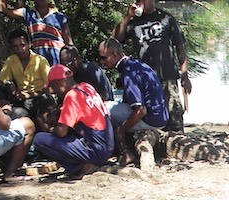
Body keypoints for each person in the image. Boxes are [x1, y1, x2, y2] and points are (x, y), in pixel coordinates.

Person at [113, 0, 190, 133]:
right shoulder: (133, 22)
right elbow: (114, 40)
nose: (141, 2)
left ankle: (179, 144)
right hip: (145, 81)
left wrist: (184, 75)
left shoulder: (166, 18)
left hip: (167, 77)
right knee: (150, 118)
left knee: (174, 118)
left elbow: (180, 48)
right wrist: (127, 17)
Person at [31, 63, 113, 178]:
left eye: (53, 87)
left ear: (58, 83)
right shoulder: (86, 87)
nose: (54, 92)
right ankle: (86, 162)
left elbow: (61, 132)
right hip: (107, 145)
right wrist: (60, 110)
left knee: (39, 139)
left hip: (97, 149)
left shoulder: (71, 96)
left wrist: (47, 128)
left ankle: (81, 166)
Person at [97, 37, 167, 165]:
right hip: (160, 116)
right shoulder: (134, 64)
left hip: (151, 119)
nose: (102, 62)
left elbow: (141, 110)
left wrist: (122, 129)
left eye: (104, 58)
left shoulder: (128, 72)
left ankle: (122, 152)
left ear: (115, 55)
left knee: (102, 108)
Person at [0, 0, 71, 66]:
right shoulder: (28, 14)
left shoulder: (59, 16)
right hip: (40, 60)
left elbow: (69, 43)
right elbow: (3, 9)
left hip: (58, 58)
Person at [0, 28, 48, 117]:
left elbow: (50, 87)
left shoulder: (41, 61)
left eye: (22, 45)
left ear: (29, 44)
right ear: (11, 48)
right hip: (21, 100)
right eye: (15, 46)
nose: (20, 49)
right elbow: (1, 82)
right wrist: (10, 89)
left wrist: (29, 95)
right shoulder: (11, 60)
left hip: (39, 98)